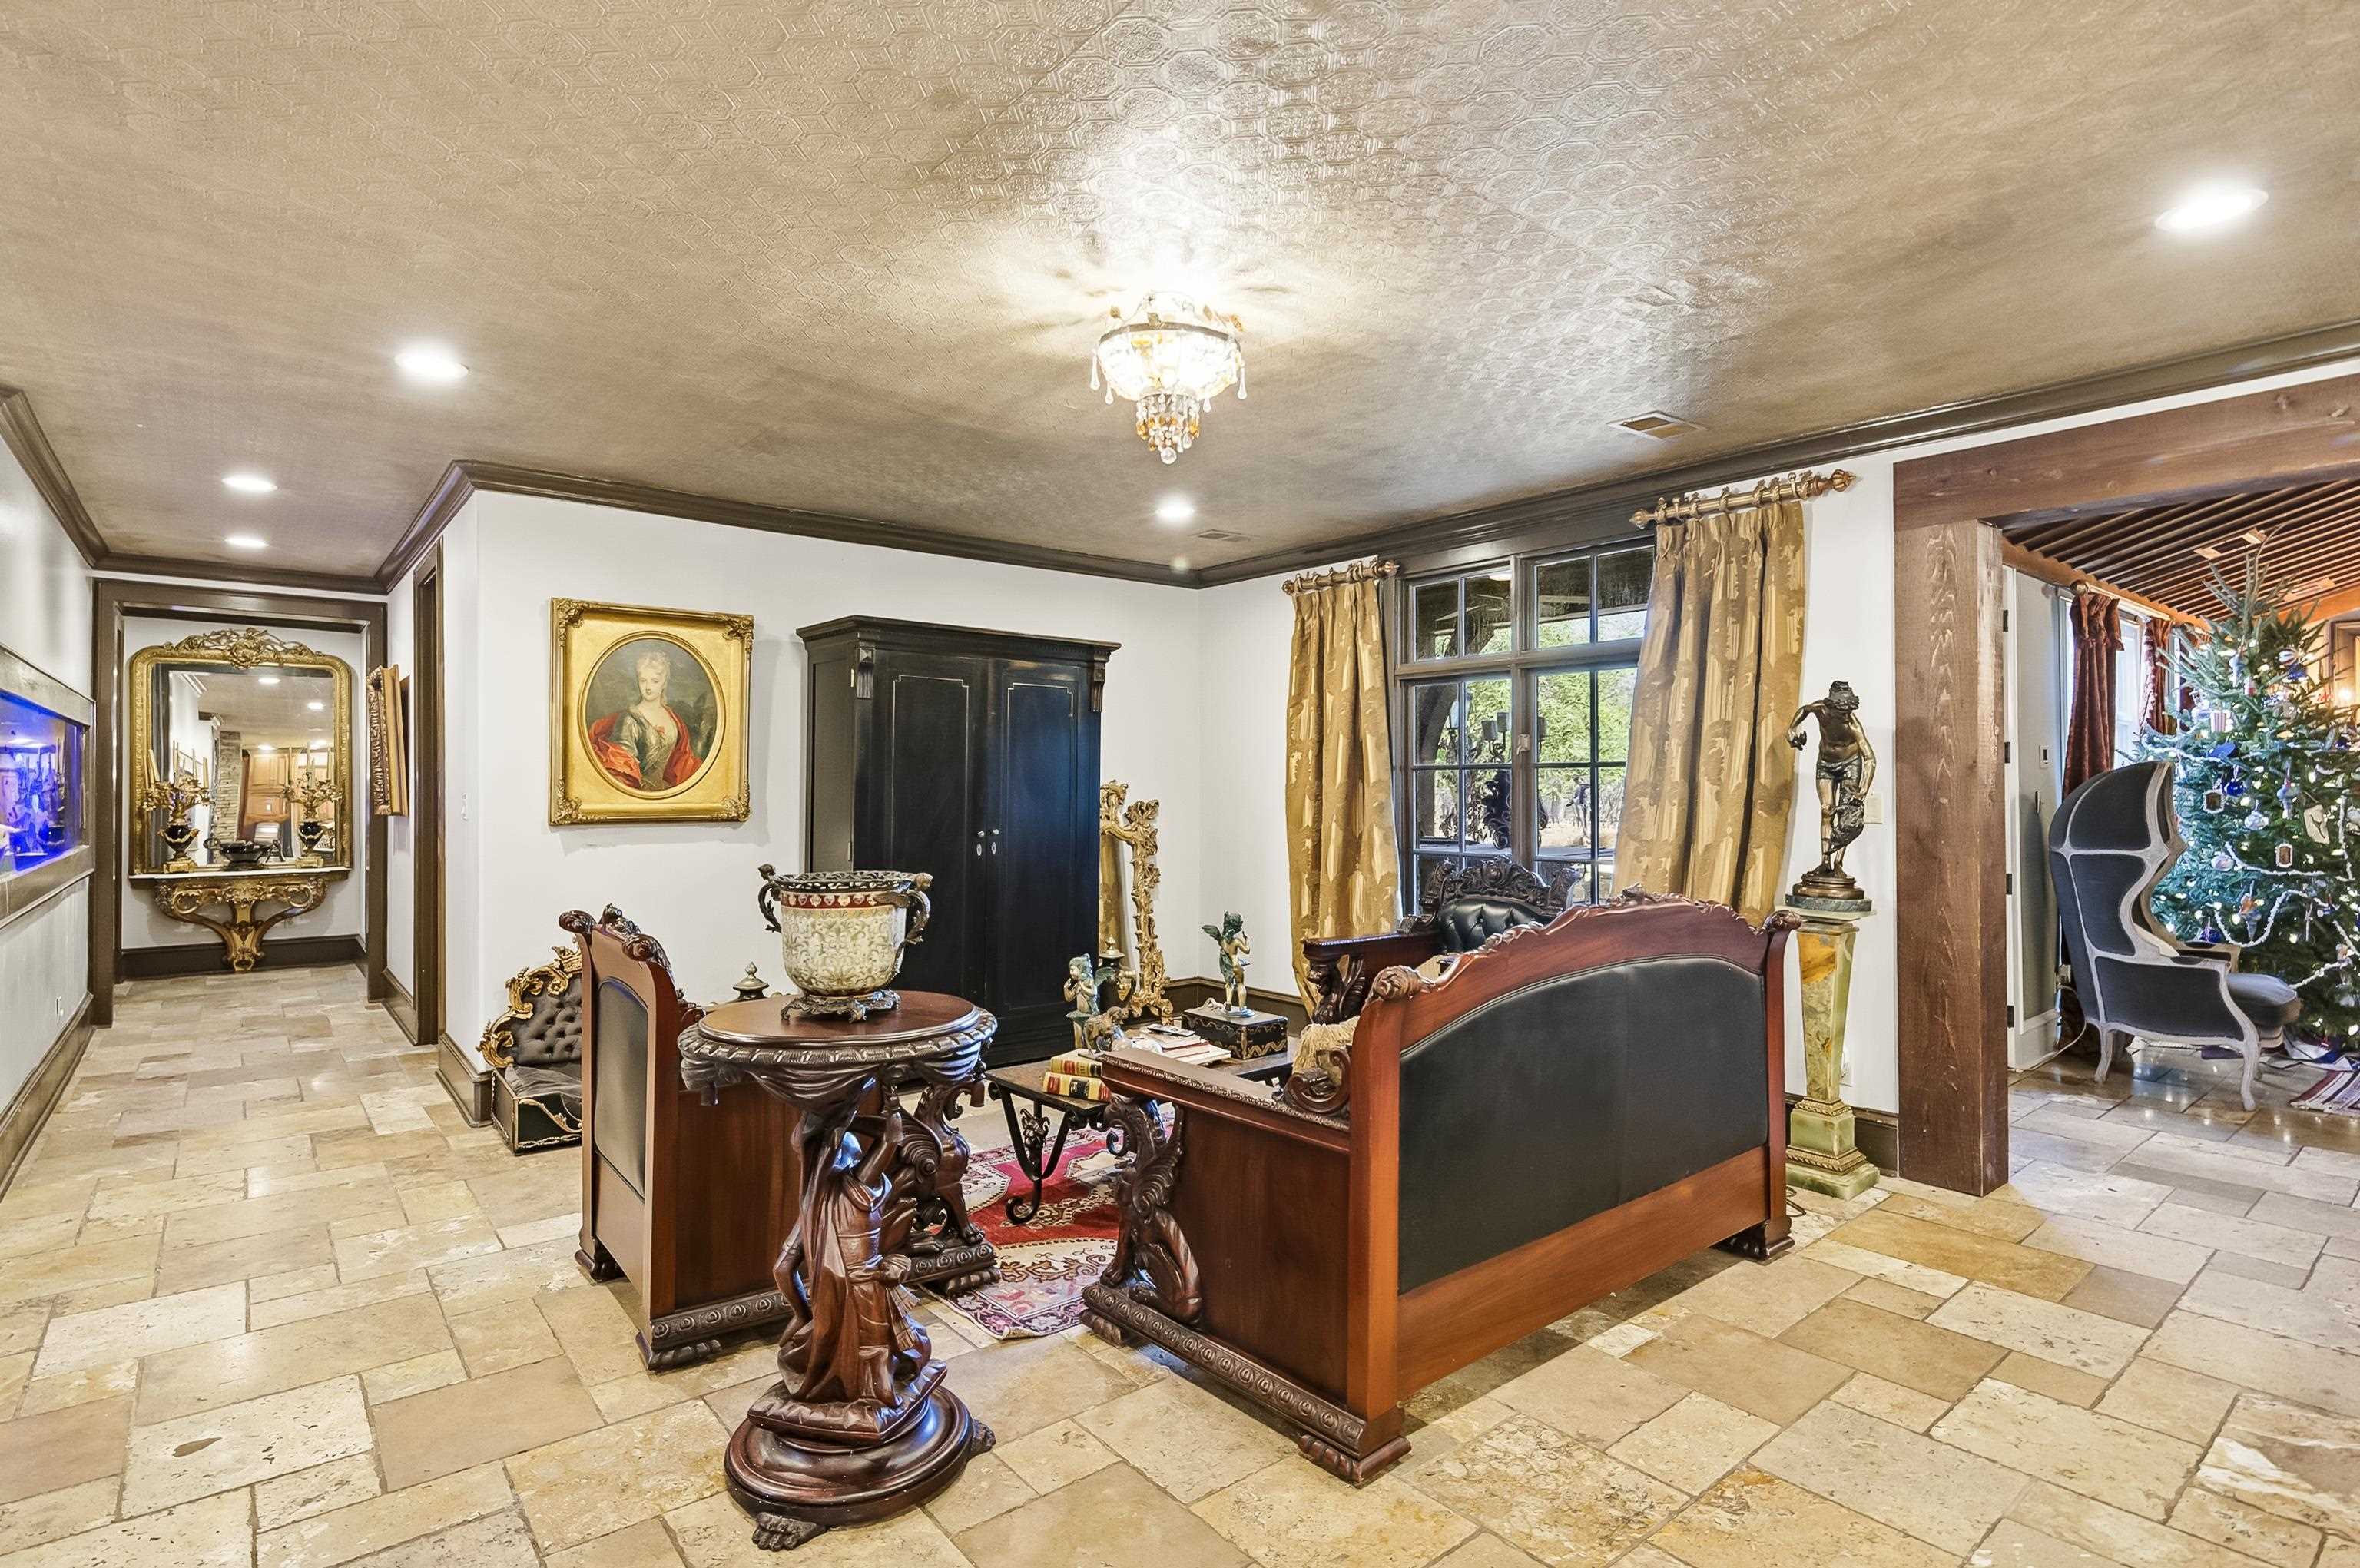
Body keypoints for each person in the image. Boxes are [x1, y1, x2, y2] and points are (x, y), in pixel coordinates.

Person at [588, 647, 702, 791]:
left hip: (666, 792)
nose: (648, 687)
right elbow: (621, 768)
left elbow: (683, 763)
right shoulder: (629, 719)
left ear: (664, 683)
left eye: (654, 681)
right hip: (638, 792)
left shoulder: (673, 719)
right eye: (643, 681)